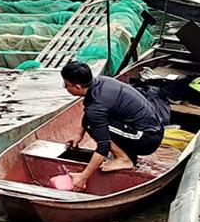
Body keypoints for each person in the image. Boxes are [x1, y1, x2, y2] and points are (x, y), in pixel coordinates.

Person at [59, 61, 171, 191]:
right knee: (91, 120)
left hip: (147, 139)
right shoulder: (101, 81)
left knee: (93, 124)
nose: (66, 88)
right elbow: (90, 113)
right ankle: (123, 155)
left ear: (77, 87)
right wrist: (79, 134)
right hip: (150, 127)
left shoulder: (97, 106)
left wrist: (83, 177)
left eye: (66, 85)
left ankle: (123, 159)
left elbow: (103, 146)